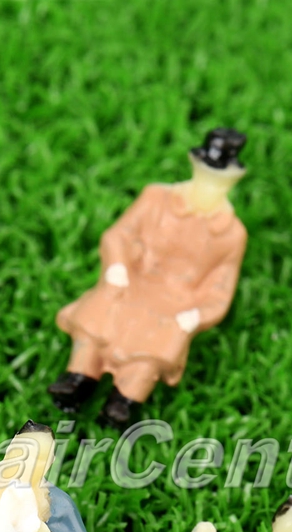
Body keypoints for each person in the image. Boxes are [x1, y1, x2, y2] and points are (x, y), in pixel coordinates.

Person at [49, 127, 248, 426]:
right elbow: (119, 234)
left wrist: (195, 316)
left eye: (218, 182)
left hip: (177, 302)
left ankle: (125, 398)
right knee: (98, 322)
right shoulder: (156, 198)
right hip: (134, 281)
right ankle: (79, 377)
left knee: (151, 349)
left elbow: (220, 289)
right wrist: (117, 267)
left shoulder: (231, 234)